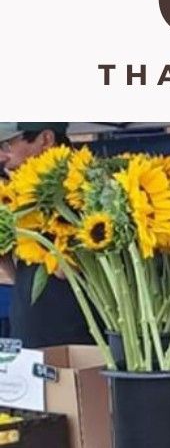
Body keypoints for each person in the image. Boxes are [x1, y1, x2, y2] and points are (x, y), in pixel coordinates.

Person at [0, 123, 94, 347]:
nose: (2, 156)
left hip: (73, 332)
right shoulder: (20, 190)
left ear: (46, 138)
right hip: (29, 322)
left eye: (7, 145)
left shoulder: (82, 186)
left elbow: (66, 269)